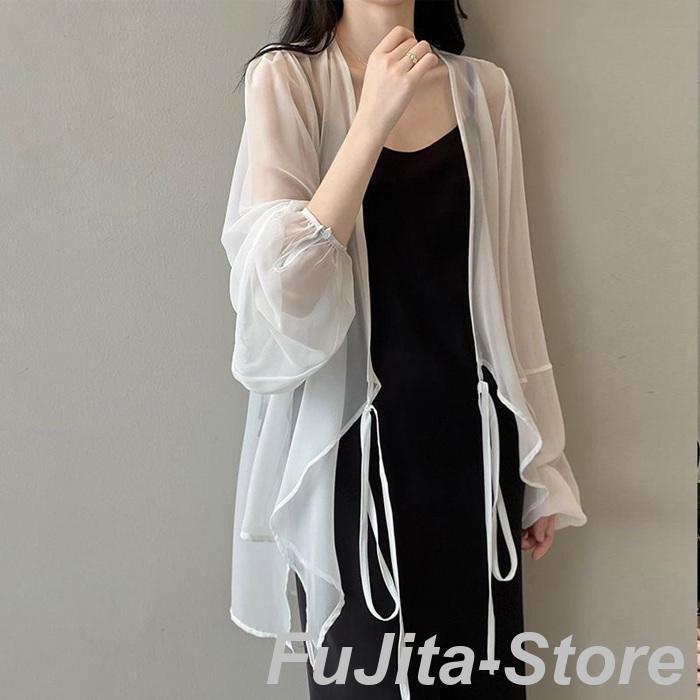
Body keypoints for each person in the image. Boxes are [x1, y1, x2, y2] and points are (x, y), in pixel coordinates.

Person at [220, 1, 587, 698]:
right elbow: (282, 301)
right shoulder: (286, 79)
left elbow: (512, 291)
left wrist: (541, 466)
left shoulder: (484, 90)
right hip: (351, 463)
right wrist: (371, 120)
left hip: (476, 457)